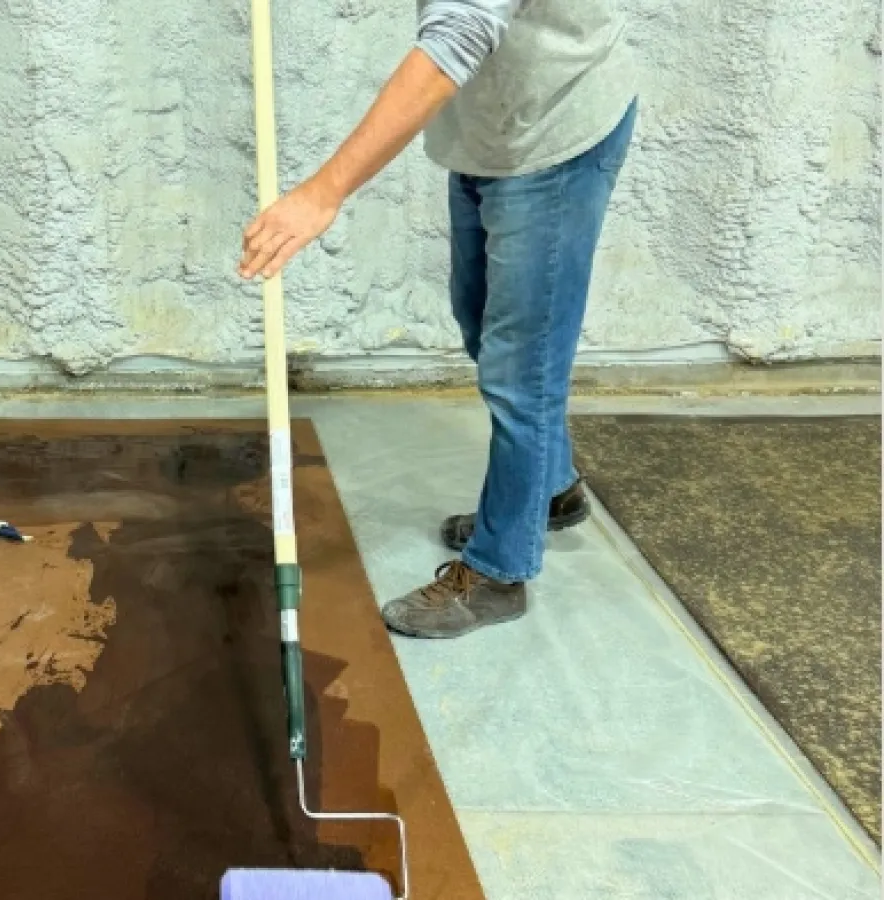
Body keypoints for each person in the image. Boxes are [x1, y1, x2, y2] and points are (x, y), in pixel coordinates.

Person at [239, 0, 637, 638]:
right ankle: (551, 490)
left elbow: (455, 39)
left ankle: (500, 572)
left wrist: (323, 192)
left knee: (521, 368)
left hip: (553, 132)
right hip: (494, 127)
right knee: (480, 319)